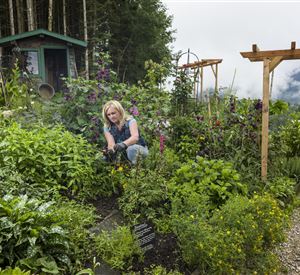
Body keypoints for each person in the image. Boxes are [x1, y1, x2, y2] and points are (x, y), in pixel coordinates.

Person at [102, 100, 148, 165]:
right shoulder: (107, 126)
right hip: (123, 152)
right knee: (104, 158)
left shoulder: (130, 121)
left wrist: (123, 144)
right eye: (108, 115)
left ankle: (136, 170)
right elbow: (111, 144)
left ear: (120, 111)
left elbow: (135, 138)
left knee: (131, 149)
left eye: (113, 113)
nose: (111, 116)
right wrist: (110, 151)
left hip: (139, 149)